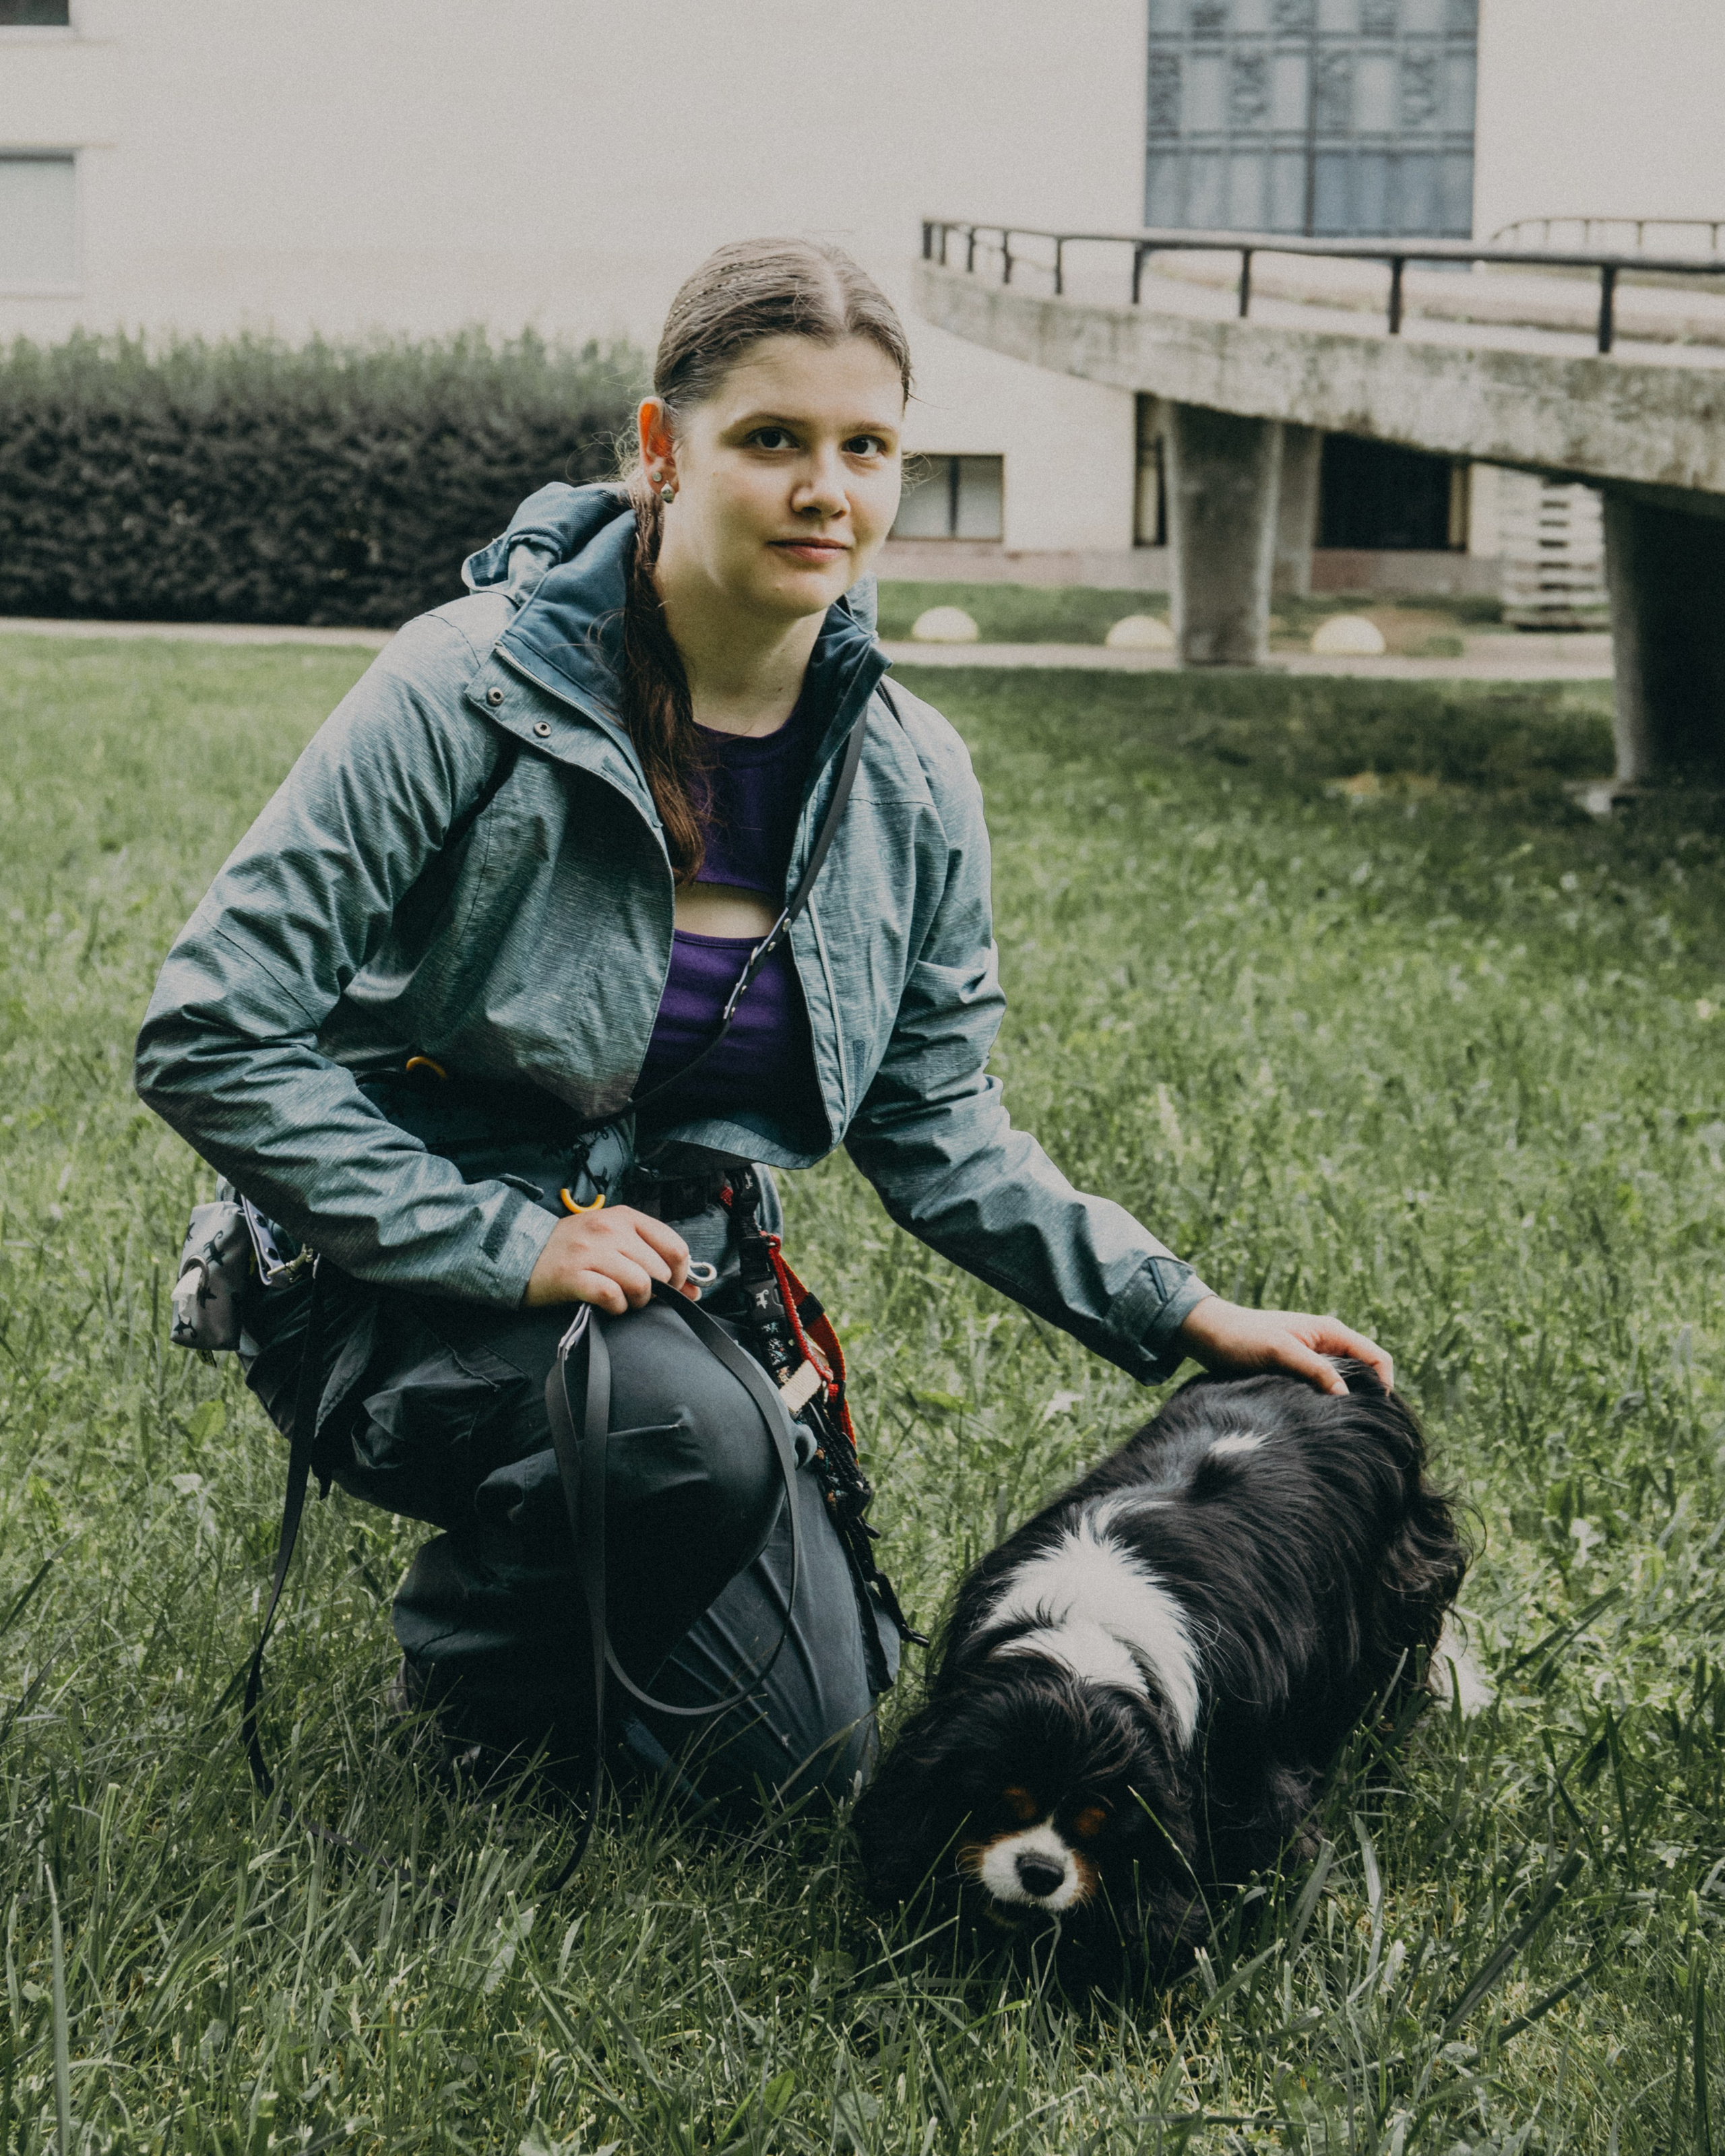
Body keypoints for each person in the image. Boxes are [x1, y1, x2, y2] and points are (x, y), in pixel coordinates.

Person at [135, 237, 1391, 1816]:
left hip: (669, 1297)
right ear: (661, 451)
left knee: (811, 1760)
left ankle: (614, 1560)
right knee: (688, 1449)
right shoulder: (461, 691)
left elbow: (937, 1128)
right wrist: (501, 1242)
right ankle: (474, 1660)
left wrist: (1181, 1310)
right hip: (384, 1276)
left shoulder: (911, 775)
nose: (825, 490)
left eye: (863, 448)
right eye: (772, 440)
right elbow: (207, 1029)